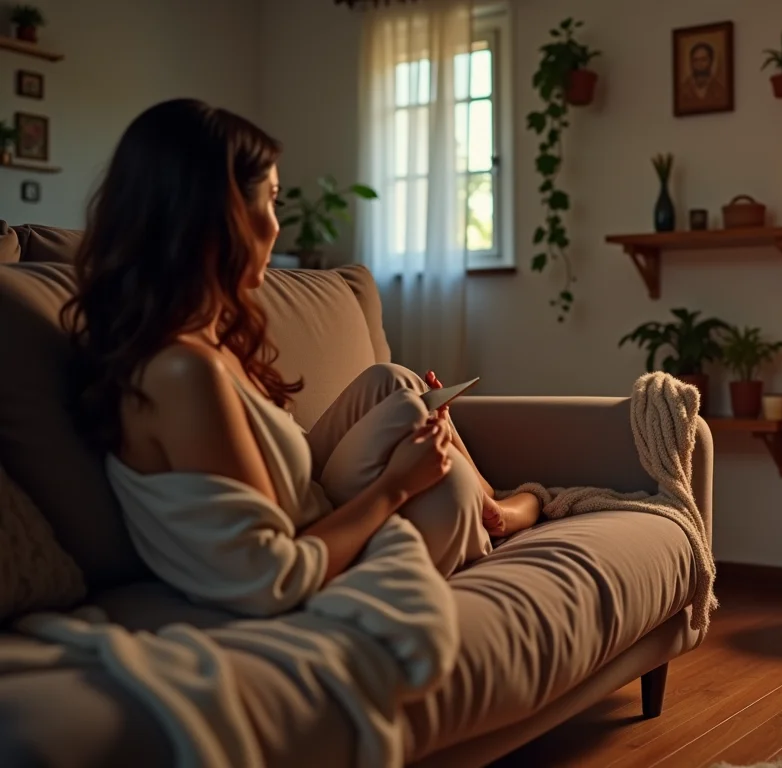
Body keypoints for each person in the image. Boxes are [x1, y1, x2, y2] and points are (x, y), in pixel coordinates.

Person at [63, 98, 539, 595]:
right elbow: (272, 571)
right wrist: (397, 483)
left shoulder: (196, 341)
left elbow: (276, 488)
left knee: (393, 382)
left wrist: (412, 437)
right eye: (268, 201)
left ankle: (495, 505)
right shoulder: (182, 372)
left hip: (312, 511)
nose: (275, 225)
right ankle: (494, 511)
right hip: (307, 563)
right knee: (445, 485)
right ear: (215, 216)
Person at [679, 41, 728, 108]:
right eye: (696, 60)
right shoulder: (682, 90)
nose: (699, 64)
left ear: (711, 61)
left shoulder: (720, 91)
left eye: (703, 60)